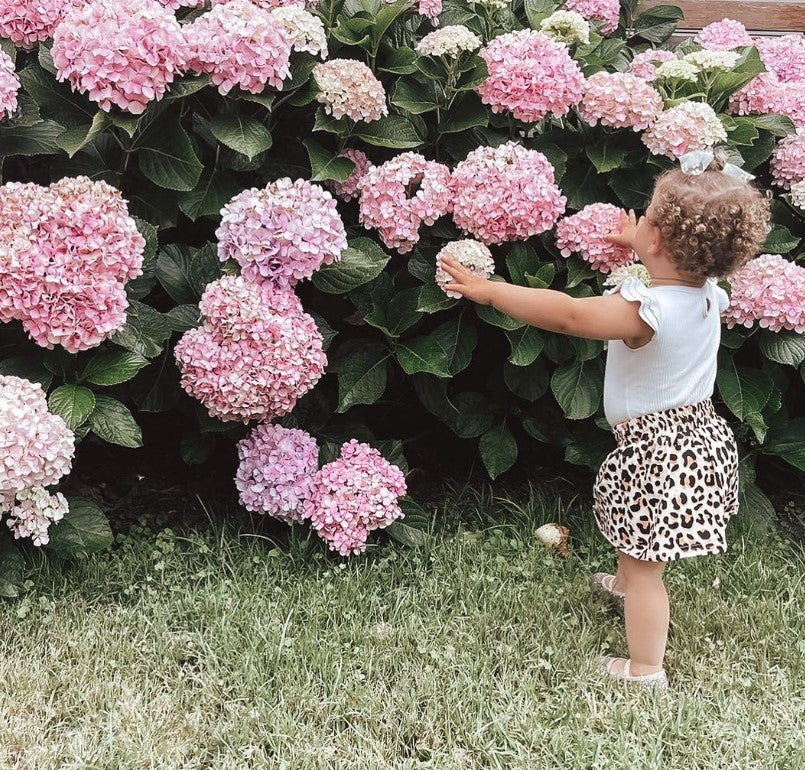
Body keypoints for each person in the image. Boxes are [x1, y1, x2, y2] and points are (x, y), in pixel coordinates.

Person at [438, 150, 771, 688]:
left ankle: (644, 669)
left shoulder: (645, 311)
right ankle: (623, 582)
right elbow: (672, 276)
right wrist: (639, 248)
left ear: (659, 241)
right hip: (699, 438)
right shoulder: (708, 292)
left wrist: (490, 289)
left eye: (649, 219)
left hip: (661, 450)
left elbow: (569, 314)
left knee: (647, 566)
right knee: (637, 531)